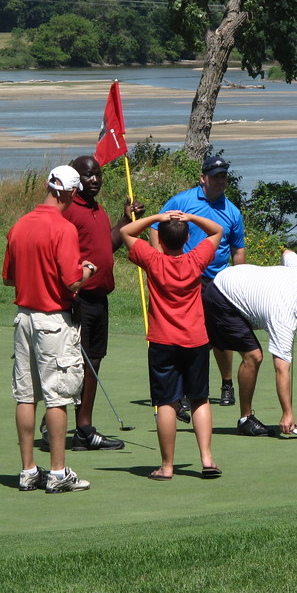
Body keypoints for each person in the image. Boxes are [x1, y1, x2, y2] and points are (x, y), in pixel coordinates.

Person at [2, 165, 97, 493]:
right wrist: (87, 270)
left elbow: (9, 278)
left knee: (26, 396)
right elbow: (71, 281)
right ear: (69, 193)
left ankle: (28, 470)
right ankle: (57, 473)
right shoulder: (64, 228)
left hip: (24, 318)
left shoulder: (20, 225)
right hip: (53, 322)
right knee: (57, 398)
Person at [40, 154, 144, 451]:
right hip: (78, 298)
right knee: (73, 364)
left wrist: (125, 219)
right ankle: (53, 422)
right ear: (75, 179)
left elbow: (107, 245)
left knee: (93, 362)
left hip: (100, 298)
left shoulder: (97, 209)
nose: (95, 179)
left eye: (98, 174)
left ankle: (84, 428)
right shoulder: (69, 209)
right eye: (88, 175)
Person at [122, 211, 225, 480]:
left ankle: (167, 466)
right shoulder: (195, 260)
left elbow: (126, 232)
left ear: (161, 241)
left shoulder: (153, 260)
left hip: (162, 340)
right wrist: (190, 218)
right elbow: (217, 232)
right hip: (195, 340)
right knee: (199, 398)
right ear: (187, 238)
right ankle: (207, 458)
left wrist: (157, 217)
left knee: (167, 402)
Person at [203, 250, 297, 436]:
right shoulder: (284, 316)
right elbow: (281, 368)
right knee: (253, 356)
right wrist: (287, 413)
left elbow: (287, 253)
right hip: (223, 296)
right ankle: (245, 420)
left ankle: (182, 382)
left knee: (207, 342)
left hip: (234, 281)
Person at [152, 155, 246, 414]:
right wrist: (158, 259)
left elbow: (238, 250)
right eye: (215, 176)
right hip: (188, 279)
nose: (220, 181)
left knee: (221, 336)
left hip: (220, 281)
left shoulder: (232, 211)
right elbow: (157, 224)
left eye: (223, 176)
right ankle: (181, 390)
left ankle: (227, 383)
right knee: (188, 335)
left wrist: (239, 282)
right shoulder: (182, 201)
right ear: (203, 178)